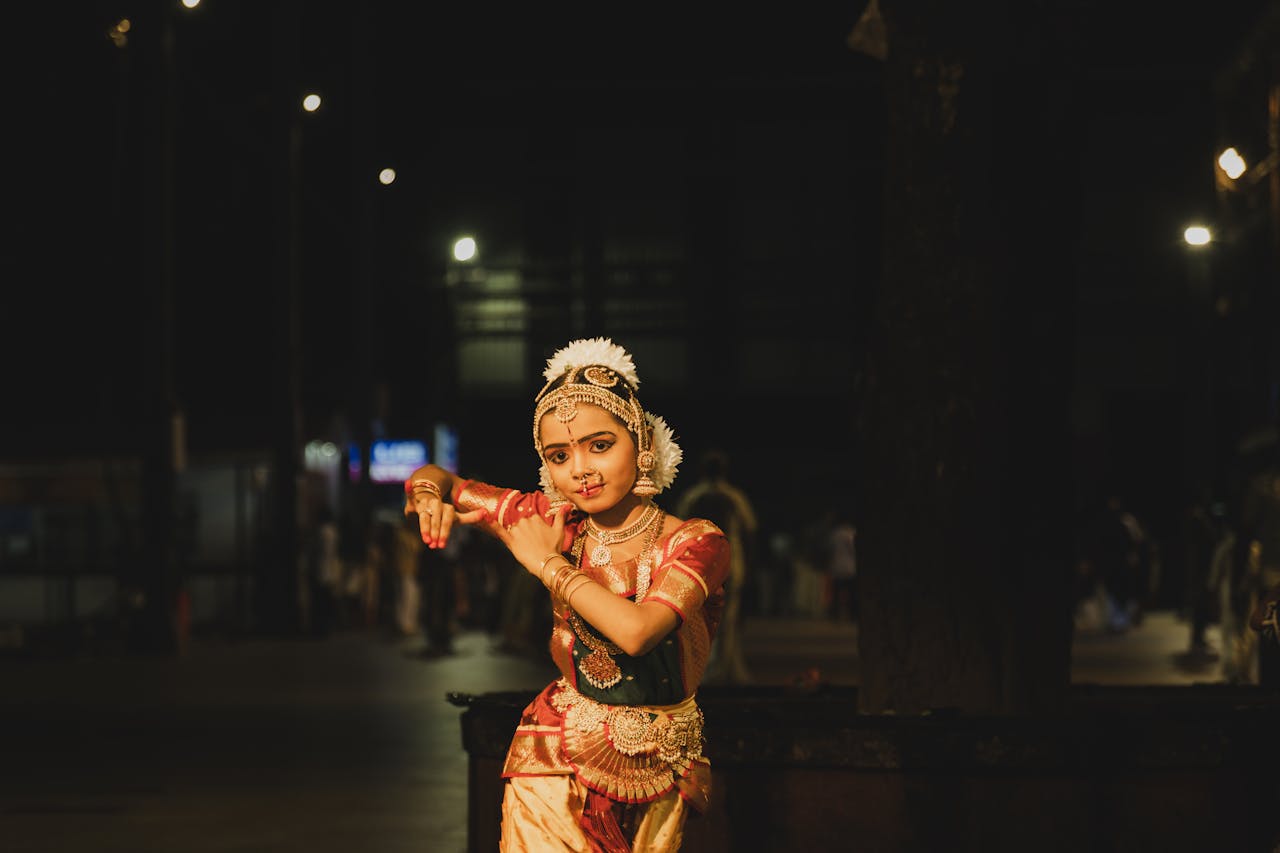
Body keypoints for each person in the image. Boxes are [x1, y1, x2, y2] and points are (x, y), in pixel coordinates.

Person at [403, 337, 730, 851]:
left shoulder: (695, 541)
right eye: (559, 455)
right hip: (556, 751)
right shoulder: (552, 519)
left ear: (641, 442)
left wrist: (546, 564)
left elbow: (639, 632)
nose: (580, 468)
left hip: (664, 761)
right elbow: (439, 478)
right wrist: (426, 497)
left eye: (600, 445)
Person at [675, 449, 757, 684]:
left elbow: (679, 531)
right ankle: (725, 669)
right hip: (731, 564)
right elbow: (750, 532)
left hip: (699, 568)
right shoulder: (734, 497)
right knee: (728, 619)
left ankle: (705, 669)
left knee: (698, 619)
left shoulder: (693, 497)